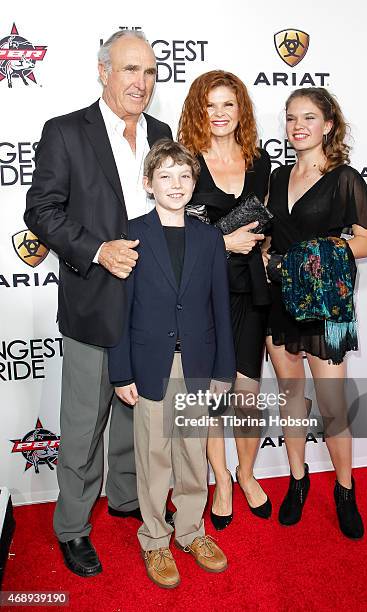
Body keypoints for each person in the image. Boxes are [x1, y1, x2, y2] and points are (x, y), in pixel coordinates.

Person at [24, 30, 173, 577]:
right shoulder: (65, 132)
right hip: (94, 298)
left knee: (141, 413)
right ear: (103, 70)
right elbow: (40, 209)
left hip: (152, 304)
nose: (142, 82)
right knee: (85, 423)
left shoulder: (161, 132)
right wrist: (97, 250)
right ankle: (72, 528)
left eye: (151, 72)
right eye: (131, 69)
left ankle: (127, 497)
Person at [108, 139, 236, 589]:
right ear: (148, 183)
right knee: (154, 456)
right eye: (165, 176)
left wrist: (224, 371)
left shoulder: (209, 237)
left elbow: (221, 307)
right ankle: (156, 540)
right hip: (149, 365)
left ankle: (191, 531)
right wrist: (121, 371)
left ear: (194, 182)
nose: (176, 184)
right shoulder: (132, 233)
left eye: (184, 176)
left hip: (198, 364)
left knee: (190, 453)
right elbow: (119, 309)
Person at [264, 87, 367, 539]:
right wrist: (268, 258)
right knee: (292, 397)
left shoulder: (345, 177)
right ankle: (297, 479)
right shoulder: (275, 177)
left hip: (327, 306)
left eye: (309, 118)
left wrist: (320, 251)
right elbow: (271, 237)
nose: (298, 126)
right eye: (291, 118)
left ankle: (345, 490)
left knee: (332, 406)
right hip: (281, 302)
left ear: (328, 125)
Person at [178, 70, 272, 529]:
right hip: (206, 292)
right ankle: (220, 479)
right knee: (215, 395)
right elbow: (177, 237)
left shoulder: (260, 161)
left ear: (241, 110)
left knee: (248, 393)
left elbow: (269, 230)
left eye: (228, 105)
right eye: (210, 105)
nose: (219, 114)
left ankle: (247, 473)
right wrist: (222, 242)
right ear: (199, 110)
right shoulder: (188, 163)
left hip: (252, 290)